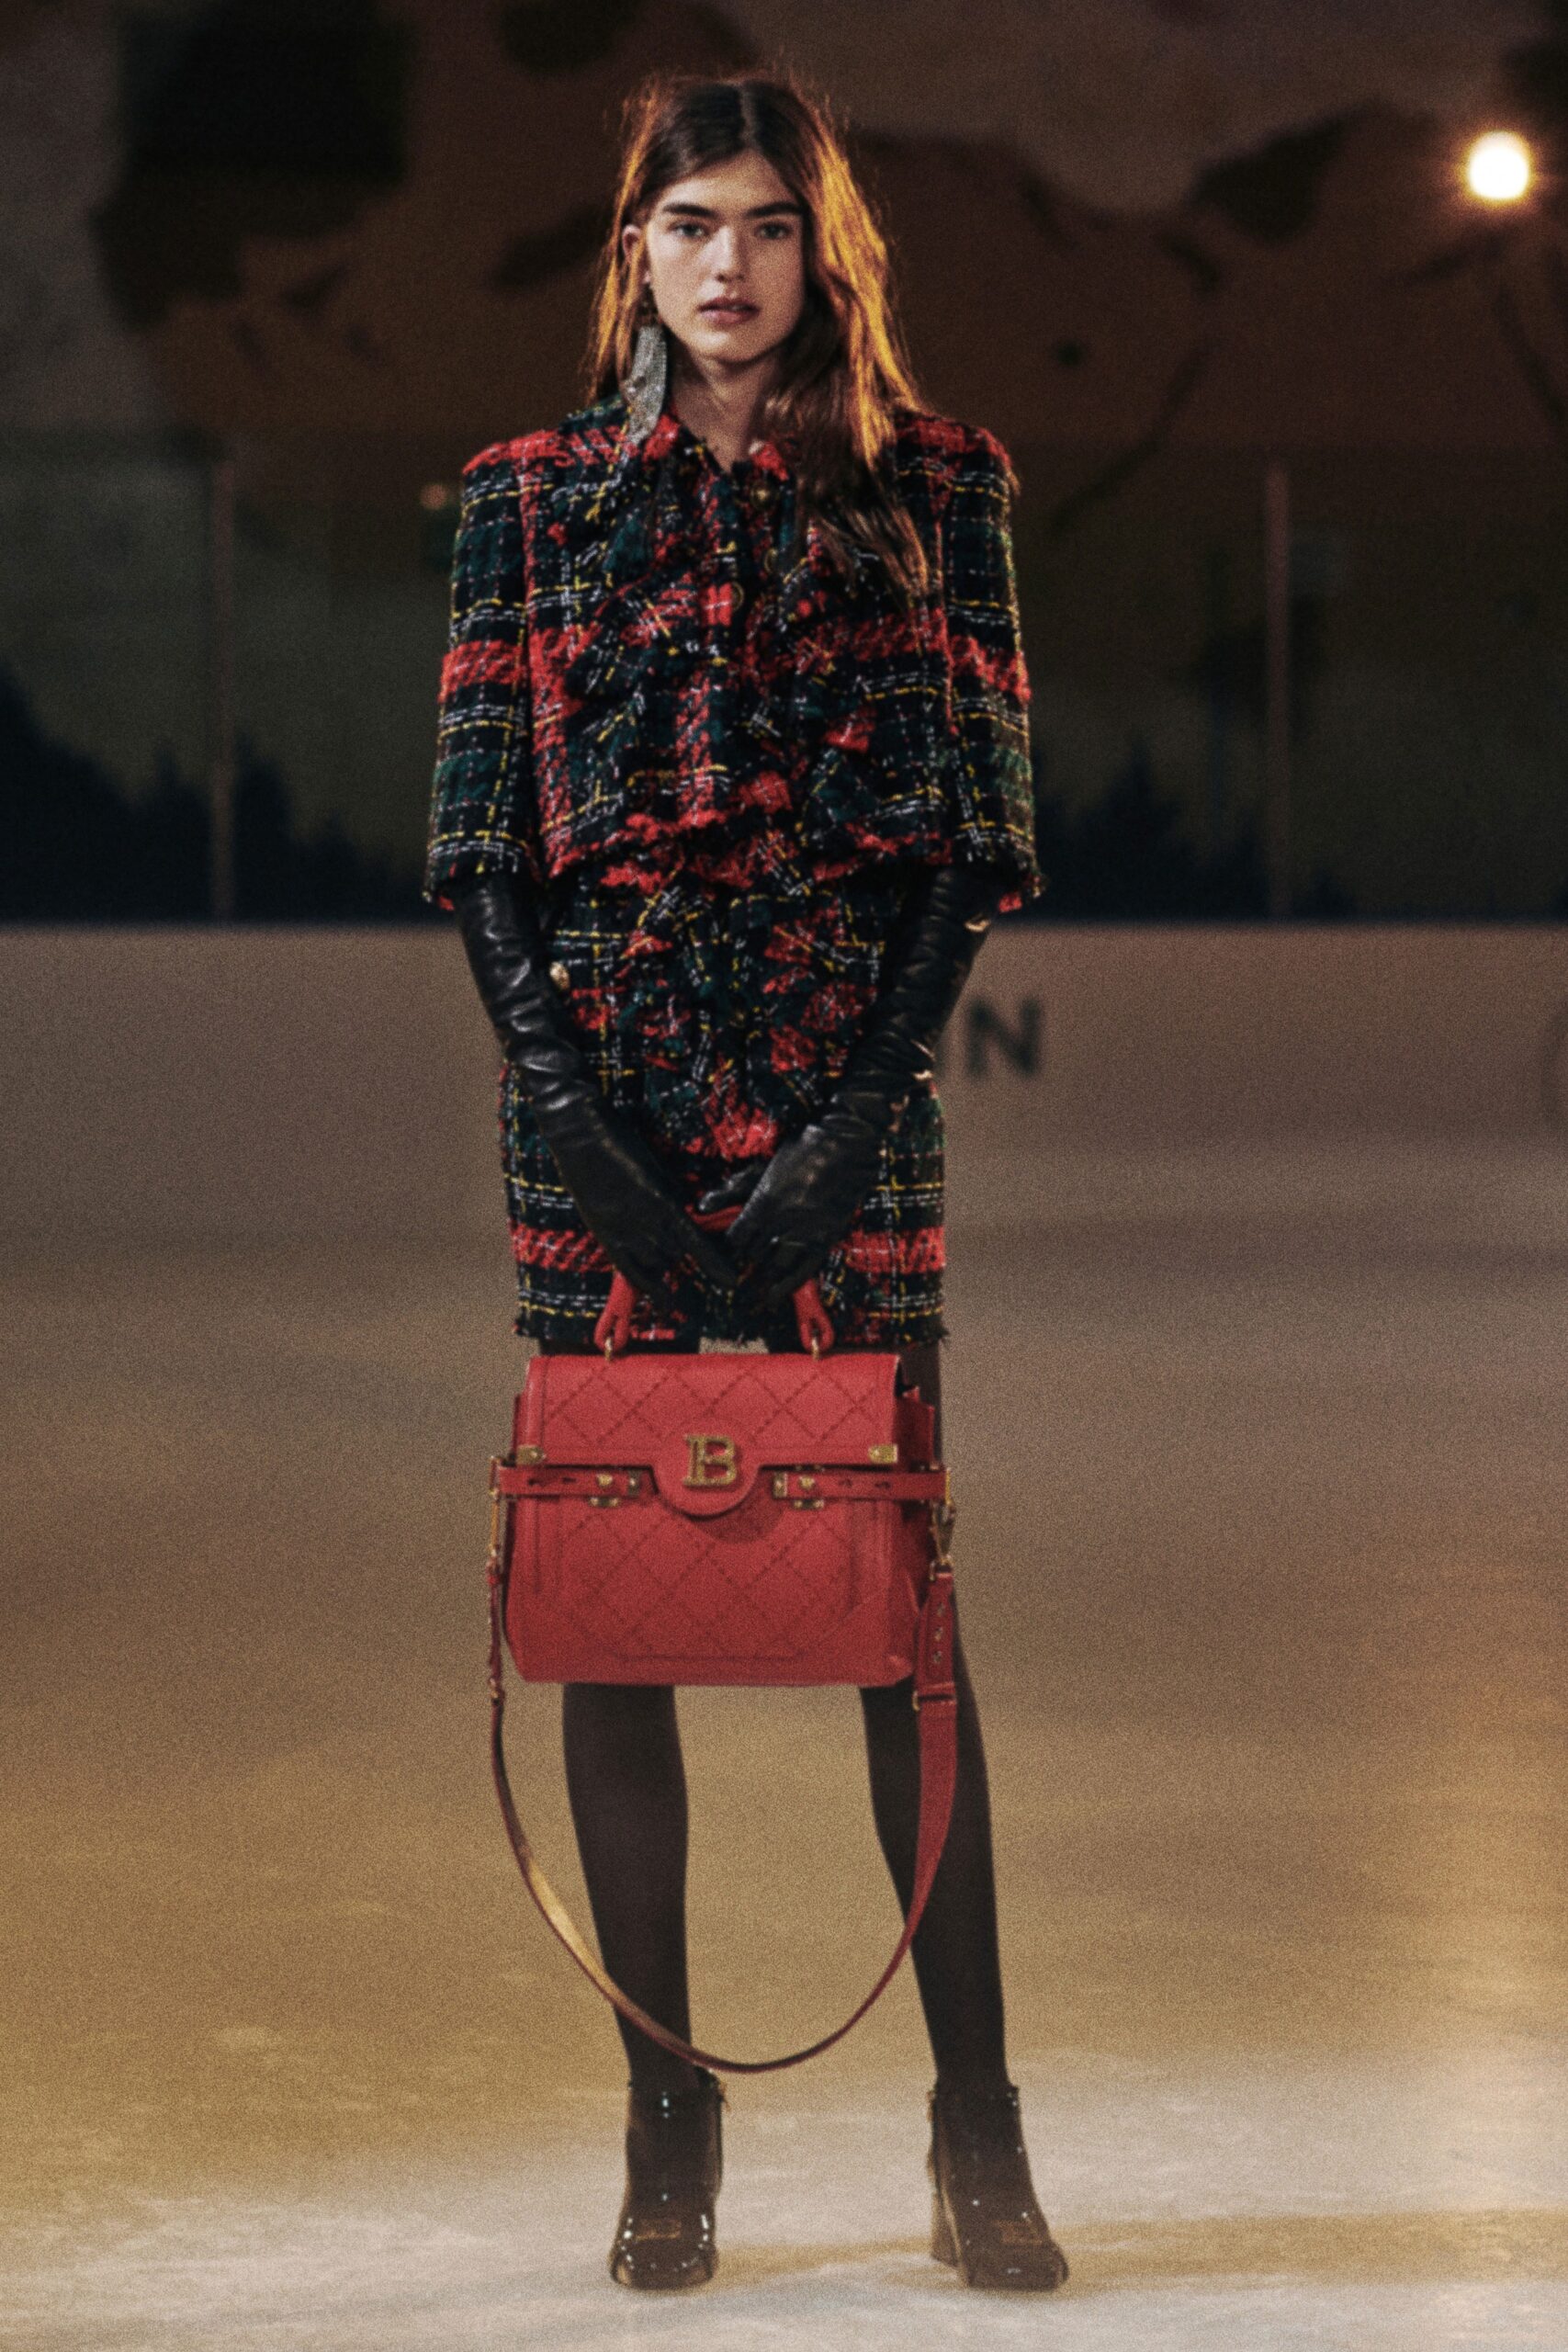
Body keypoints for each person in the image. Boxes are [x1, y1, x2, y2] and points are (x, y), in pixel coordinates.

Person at [425, 71, 1067, 2297]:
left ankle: (972, 2121)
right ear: (633, 255)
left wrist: (840, 1130)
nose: (726, 262)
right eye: (685, 223)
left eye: (767, 226)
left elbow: (968, 844)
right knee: (623, 1616)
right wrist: (586, 1130)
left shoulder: (936, 486)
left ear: (823, 252)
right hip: (589, 1133)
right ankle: (666, 2116)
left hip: (846, 1121)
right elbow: (478, 846)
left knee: (907, 1631)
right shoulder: (523, 500)